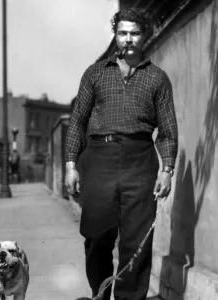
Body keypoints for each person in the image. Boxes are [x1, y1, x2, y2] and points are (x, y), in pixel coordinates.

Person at [65, 8, 178, 300]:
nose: (128, 39)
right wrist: (70, 164)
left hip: (140, 160)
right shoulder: (95, 73)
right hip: (98, 157)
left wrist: (166, 169)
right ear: (116, 36)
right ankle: (100, 293)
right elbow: (77, 120)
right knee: (96, 234)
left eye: (134, 33)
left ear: (145, 36)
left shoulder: (157, 79)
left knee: (137, 239)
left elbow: (167, 130)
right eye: (122, 32)